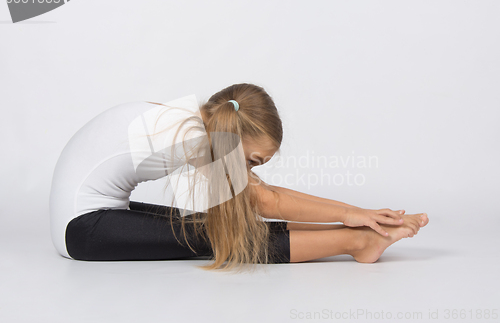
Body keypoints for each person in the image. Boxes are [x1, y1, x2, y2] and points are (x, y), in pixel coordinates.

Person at [49, 83, 429, 272]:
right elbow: (265, 202)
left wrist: (352, 210)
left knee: (215, 220)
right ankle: (356, 242)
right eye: (252, 161)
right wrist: (352, 215)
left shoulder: (198, 123)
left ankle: (356, 237)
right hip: (82, 230)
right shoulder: (193, 140)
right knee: (224, 233)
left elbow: (266, 195)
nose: (252, 172)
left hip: (100, 213)